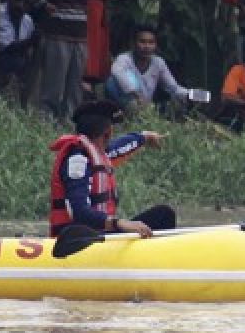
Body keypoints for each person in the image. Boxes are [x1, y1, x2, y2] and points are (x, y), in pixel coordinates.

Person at [48, 101, 173, 237]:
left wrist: (144, 137)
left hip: (98, 234)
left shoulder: (96, 152)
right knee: (164, 215)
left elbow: (119, 146)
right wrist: (119, 223)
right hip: (74, 242)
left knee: (163, 214)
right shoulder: (77, 160)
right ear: (108, 133)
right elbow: (79, 212)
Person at [105, 25, 191, 113]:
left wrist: (194, 95)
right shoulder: (124, 59)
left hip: (147, 106)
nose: (147, 46)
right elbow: (116, 71)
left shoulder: (158, 62)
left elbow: (173, 88)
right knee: (111, 82)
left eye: (151, 42)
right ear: (133, 43)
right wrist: (136, 94)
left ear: (155, 45)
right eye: (142, 42)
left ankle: (149, 112)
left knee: (180, 102)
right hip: (128, 102)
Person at [0, 0, 35, 85]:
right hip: (0, 57)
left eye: (24, 2)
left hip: (20, 61)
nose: (20, 5)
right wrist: (27, 43)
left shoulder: (28, 20)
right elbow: (2, 46)